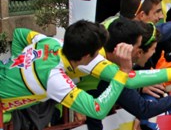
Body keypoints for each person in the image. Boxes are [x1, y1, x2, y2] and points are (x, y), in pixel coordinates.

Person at [0, 21, 133, 119]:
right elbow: (97, 110)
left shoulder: (51, 42)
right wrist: (123, 72)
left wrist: (17, 64)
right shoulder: (54, 78)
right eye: (98, 52)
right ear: (87, 56)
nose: (99, 55)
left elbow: (19, 33)